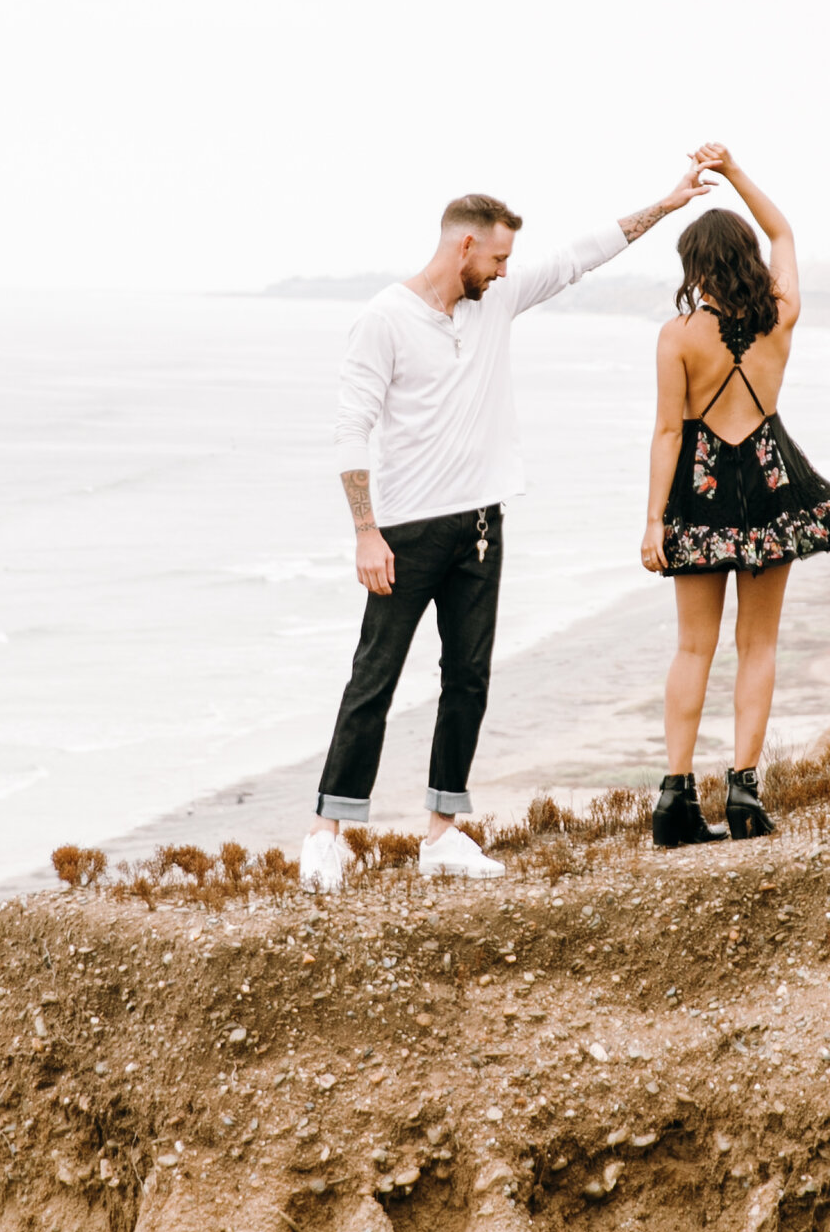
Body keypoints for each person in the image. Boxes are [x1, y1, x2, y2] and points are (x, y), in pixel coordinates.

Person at [301, 161, 715, 894]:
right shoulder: (384, 319)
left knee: (467, 679)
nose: (503, 272)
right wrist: (366, 532)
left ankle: (442, 833)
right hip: (404, 532)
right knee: (375, 678)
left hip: (482, 525)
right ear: (463, 248)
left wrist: (669, 202)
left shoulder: (495, 300)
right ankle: (326, 833)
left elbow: (582, 253)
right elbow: (349, 430)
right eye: (496, 259)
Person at [640, 150, 830, 846]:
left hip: (702, 490)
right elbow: (784, 235)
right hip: (773, 486)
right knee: (759, 644)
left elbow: (666, 432)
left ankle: (675, 801)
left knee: (694, 649)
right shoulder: (781, 314)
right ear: (744, 256)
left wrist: (654, 520)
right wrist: (739, 173)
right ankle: (745, 793)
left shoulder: (678, 337)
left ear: (693, 267)